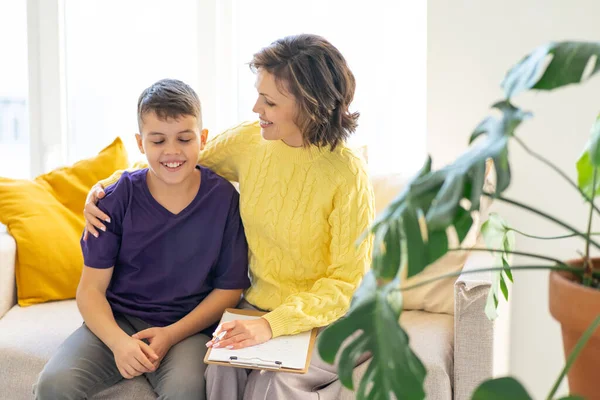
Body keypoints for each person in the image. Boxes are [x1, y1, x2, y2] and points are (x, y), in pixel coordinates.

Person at [84, 34, 374, 400]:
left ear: (307, 106)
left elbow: (348, 282)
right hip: (261, 306)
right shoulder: (252, 141)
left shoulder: (347, 173)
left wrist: (273, 325)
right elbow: (178, 160)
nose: (256, 108)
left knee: (274, 382)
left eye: (268, 101)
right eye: (258, 95)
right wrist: (103, 189)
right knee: (219, 370)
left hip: (337, 317)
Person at [34, 79, 250, 400]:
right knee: (55, 384)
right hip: (118, 321)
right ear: (140, 143)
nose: (172, 151)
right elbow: (90, 290)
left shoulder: (223, 199)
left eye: (184, 138)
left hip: (186, 330)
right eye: (158, 140)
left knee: (187, 390)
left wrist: (171, 334)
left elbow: (229, 289)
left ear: (202, 139)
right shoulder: (115, 198)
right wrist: (118, 342)